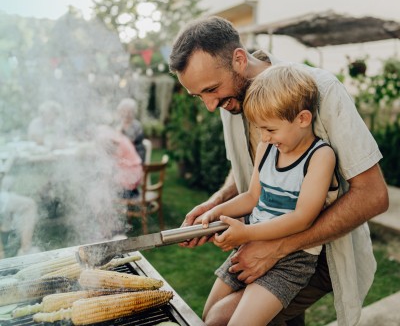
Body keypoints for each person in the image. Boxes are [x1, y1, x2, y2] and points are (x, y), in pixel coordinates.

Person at [169, 16, 388, 326]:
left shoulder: (321, 90)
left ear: (239, 60)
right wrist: (216, 204)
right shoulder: (230, 98)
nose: (209, 105)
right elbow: (249, 171)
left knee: (219, 319)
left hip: (318, 251)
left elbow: (374, 195)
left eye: (212, 90)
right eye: (199, 96)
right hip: (262, 236)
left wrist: (276, 247)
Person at [201, 64, 338, 325]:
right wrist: (214, 212)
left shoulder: (320, 157)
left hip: (292, 259)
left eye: (271, 129)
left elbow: (302, 218)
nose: (264, 137)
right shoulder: (267, 147)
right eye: (260, 129)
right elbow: (252, 197)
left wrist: (246, 233)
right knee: (209, 317)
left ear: (303, 119)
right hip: (252, 244)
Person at [95, 124, 143, 199]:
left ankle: (126, 198)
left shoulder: (116, 143)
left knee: (104, 183)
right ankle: (132, 195)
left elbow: (110, 165)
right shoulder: (121, 138)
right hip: (136, 173)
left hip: (130, 176)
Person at [116, 98, 146, 163]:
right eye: (124, 111)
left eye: (129, 111)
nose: (127, 114)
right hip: (122, 154)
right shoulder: (118, 125)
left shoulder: (137, 125)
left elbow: (134, 141)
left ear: (133, 112)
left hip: (136, 153)